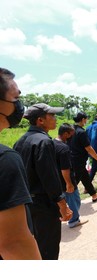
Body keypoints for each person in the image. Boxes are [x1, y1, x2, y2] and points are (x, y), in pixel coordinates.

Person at [13, 103, 73, 259]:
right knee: (48, 249)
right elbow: (50, 178)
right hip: (44, 205)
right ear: (40, 120)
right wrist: (62, 205)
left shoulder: (20, 141)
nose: (55, 119)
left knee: (36, 246)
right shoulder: (44, 142)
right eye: (52, 116)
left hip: (27, 204)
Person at [0, 67, 41, 260]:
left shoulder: (18, 143)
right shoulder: (5, 159)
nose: (19, 105)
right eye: (16, 98)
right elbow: (13, 243)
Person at [54, 123, 88, 228]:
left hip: (57, 178)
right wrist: (69, 183)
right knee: (74, 200)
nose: (72, 137)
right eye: (71, 135)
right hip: (66, 179)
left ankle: (65, 216)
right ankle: (74, 220)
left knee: (66, 200)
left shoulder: (52, 143)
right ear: (65, 134)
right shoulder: (64, 148)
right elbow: (65, 169)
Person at [69, 112, 97, 203]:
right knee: (73, 182)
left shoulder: (71, 129)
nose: (86, 121)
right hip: (78, 160)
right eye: (86, 119)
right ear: (83, 120)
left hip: (71, 158)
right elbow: (88, 148)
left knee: (85, 177)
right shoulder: (81, 132)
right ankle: (63, 203)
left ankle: (94, 195)